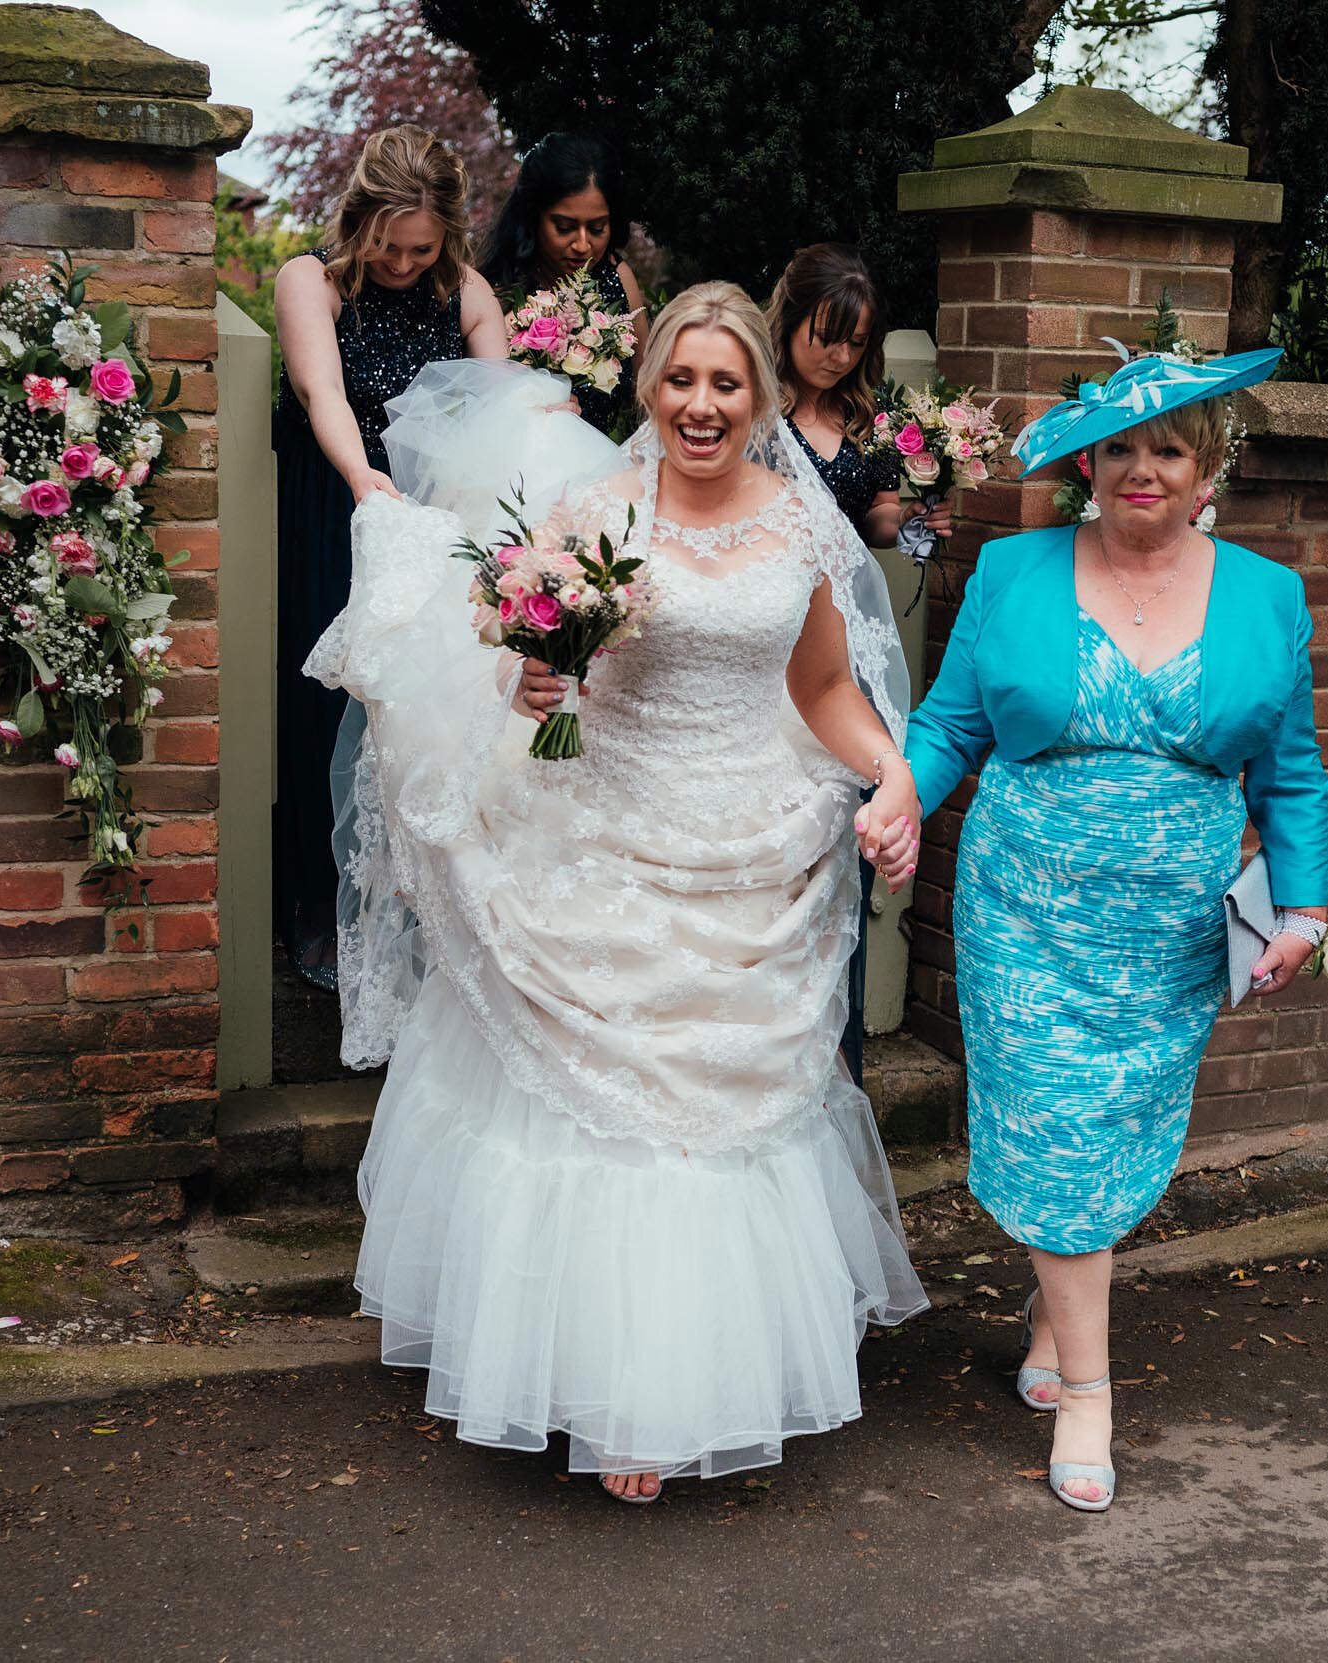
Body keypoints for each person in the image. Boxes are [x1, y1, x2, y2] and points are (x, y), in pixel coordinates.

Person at [305, 283, 927, 1504]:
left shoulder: (804, 528)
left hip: (754, 838)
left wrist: (890, 771)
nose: (702, 405)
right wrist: (530, 688)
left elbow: (821, 691)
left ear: (756, 398)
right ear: (649, 388)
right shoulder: (594, 511)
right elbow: (526, 664)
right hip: (604, 833)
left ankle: (700, 1371)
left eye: (726, 384)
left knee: (732, 1105)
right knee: (610, 1102)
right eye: (681, 381)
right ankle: (616, 1394)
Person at [901, 346, 1328, 1513]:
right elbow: (948, 726)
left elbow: (1290, 773)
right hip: (1023, 909)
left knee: (1116, 1129)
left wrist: (1301, 907)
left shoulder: (1265, 595)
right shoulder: (1010, 570)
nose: (1143, 468)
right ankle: (1089, 1390)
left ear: (1209, 471)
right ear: (1088, 461)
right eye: (1122, 447)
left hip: (1172, 927)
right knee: (1055, 1121)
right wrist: (894, 797)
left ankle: (1053, 1307)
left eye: (1170, 449)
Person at [271, 126, 506, 989]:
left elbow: (495, 407)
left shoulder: (470, 293)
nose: (404, 263)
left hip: (430, 527)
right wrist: (360, 476)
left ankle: (409, 914)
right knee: (325, 705)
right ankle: (312, 904)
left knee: (419, 718)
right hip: (337, 508)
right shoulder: (312, 281)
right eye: (389, 245)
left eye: (422, 248)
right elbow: (320, 389)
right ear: (358, 219)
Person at [763, 243, 952, 1080]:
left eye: (853, 341)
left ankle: (834, 1058)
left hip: (841, 639)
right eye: (825, 334)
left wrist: (917, 519)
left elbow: (876, 525)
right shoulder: (748, 407)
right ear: (791, 317)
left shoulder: (868, 424)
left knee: (838, 830)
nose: (837, 354)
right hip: (762, 635)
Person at [478, 132, 647, 438]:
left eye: (597, 228)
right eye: (565, 227)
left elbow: (645, 394)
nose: (583, 245)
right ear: (533, 217)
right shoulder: (495, 292)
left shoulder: (618, 279)